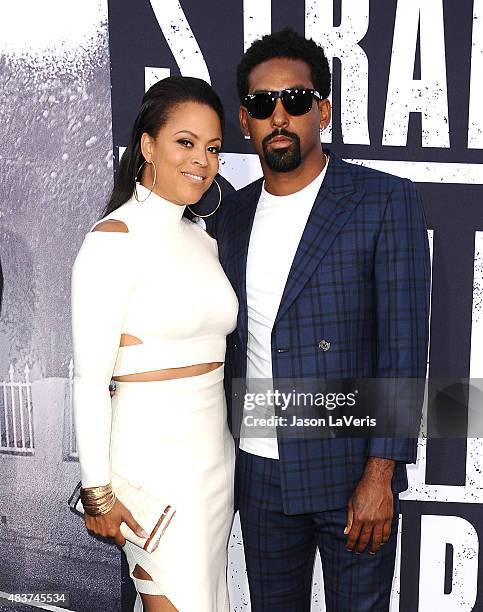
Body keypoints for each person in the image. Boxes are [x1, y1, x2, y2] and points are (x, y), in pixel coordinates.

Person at [211, 28, 431, 611]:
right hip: (258, 470)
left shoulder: (383, 200)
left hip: (351, 469)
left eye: (296, 101)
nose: (279, 116)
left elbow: (404, 346)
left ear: (323, 111)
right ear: (244, 121)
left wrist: (381, 474)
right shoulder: (230, 216)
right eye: (262, 105)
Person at [71, 76, 238, 612]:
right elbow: (91, 379)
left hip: (216, 462)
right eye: (185, 142)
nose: (202, 160)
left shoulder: (204, 240)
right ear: (147, 145)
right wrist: (97, 490)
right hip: (154, 471)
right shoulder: (112, 240)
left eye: (212, 147)